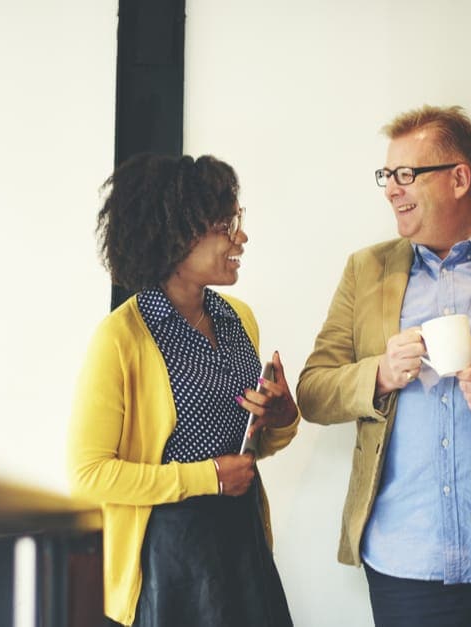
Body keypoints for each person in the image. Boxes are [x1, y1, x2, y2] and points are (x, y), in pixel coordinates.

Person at [297, 105, 471, 627]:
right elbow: (312, 391)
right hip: (404, 561)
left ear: (459, 178)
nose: (391, 189)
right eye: (386, 176)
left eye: (405, 174)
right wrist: (378, 372)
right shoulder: (364, 269)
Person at [67, 153, 300, 627]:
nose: (241, 236)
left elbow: (248, 446)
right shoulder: (122, 337)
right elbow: (89, 473)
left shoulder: (238, 318)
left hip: (243, 538)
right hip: (172, 554)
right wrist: (207, 478)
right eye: (225, 224)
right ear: (175, 235)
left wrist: (280, 418)